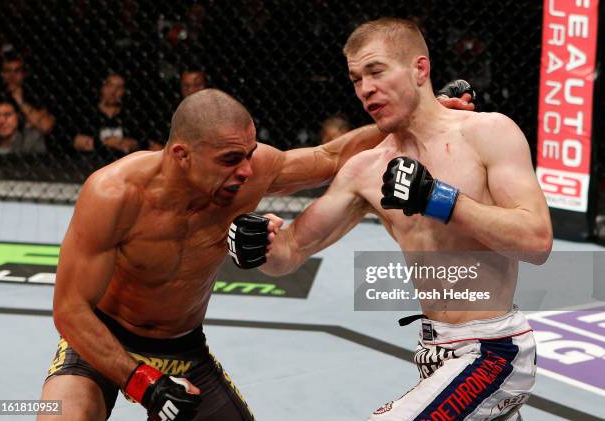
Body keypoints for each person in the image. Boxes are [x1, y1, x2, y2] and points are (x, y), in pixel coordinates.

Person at [39, 82, 473, 421]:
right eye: (231, 159)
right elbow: (70, 310)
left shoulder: (249, 172)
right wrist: (145, 383)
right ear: (181, 155)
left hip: (183, 347)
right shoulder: (114, 194)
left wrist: (421, 115)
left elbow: (330, 155)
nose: (247, 170)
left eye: (248, 153)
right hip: (103, 340)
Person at [230, 18, 552, 420]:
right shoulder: (366, 170)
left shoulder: (487, 133)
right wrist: (258, 245)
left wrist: (441, 199)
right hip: (434, 352)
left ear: (420, 69)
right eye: (356, 79)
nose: (365, 89)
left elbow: (537, 242)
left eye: (376, 71)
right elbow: (291, 252)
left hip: (492, 351)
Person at [72, 72, 139, 160]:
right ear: (102, 87)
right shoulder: (87, 112)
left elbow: (136, 143)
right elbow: (78, 141)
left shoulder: (129, 115)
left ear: (124, 91)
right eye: (109, 85)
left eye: (119, 87)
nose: (113, 91)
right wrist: (109, 143)